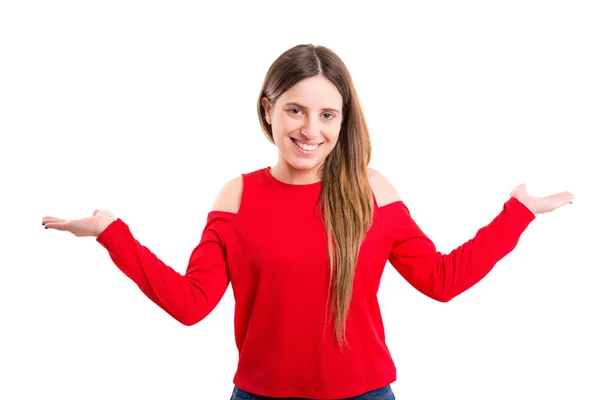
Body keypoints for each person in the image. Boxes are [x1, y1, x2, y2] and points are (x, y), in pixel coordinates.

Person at [41, 44, 573, 400]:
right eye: (295, 110)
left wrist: (518, 213)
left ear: (343, 120)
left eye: (328, 114)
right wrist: (111, 234)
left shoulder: (370, 189)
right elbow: (190, 304)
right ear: (268, 108)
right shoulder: (237, 195)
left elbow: (441, 279)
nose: (311, 129)